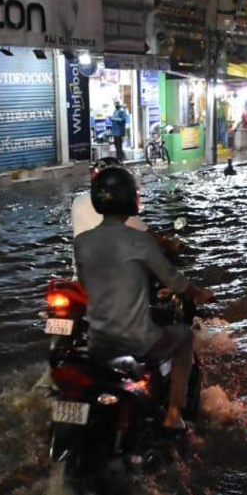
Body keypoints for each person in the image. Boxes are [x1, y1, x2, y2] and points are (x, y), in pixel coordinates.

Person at [74, 165, 215, 431]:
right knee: (184, 336)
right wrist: (199, 292)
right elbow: (173, 280)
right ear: (130, 197)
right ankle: (174, 415)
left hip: (98, 344)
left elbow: (85, 285)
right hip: (136, 342)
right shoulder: (140, 240)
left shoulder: (82, 242)